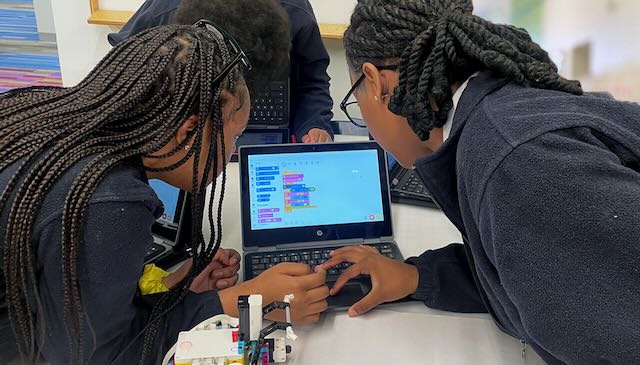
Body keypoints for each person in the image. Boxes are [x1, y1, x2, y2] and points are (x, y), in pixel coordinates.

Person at [320, 0, 640, 364]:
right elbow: (545, 270)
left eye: (355, 103)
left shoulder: (515, 161)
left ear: (377, 84)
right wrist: (417, 277)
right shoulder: (498, 116)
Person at [0, 24, 329, 365]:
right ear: (189, 130)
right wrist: (243, 300)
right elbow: (103, 355)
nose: (232, 153)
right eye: (234, 138)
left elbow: (69, 301)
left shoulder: (46, 121)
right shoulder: (109, 202)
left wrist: (175, 293)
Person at [109, 0, 335, 144]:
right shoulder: (166, 7)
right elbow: (123, 66)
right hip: (190, 131)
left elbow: (312, 80)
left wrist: (314, 124)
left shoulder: (294, 10)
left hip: (271, 133)